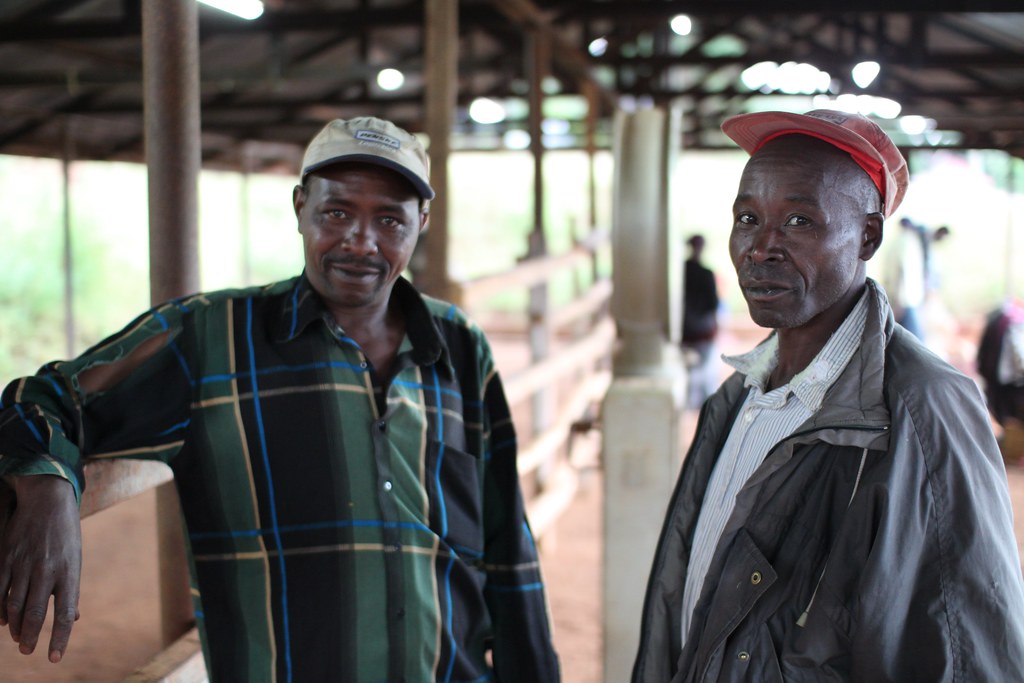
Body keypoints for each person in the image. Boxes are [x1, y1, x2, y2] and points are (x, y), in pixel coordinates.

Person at [0, 117, 560, 682]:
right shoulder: (210, 341)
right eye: (337, 212)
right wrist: (49, 482)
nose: (360, 241)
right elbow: (45, 397)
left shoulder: (458, 345)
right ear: (299, 207)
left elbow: (506, 542)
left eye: (389, 219)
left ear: (422, 222)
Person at [631, 109, 1024, 681]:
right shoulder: (738, 397)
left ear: (867, 235)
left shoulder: (923, 407)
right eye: (747, 217)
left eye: (798, 221)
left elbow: (971, 651)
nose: (760, 247)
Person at [681, 234, 721, 409]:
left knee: (687, 370)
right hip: (702, 330)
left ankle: (689, 406)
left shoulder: (680, 271)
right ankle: (704, 409)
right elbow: (713, 305)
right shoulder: (706, 274)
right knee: (705, 373)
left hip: (684, 330)